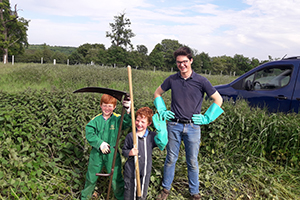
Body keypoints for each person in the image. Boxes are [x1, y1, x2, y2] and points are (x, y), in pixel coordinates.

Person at [154, 46, 224, 200]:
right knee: (171, 158)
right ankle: (165, 190)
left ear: (191, 61)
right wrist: (162, 110)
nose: (182, 65)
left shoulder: (201, 81)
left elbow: (218, 99)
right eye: (179, 62)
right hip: (173, 125)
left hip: (193, 127)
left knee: (192, 161)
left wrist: (207, 117)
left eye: (185, 61)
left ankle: (194, 192)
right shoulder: (172, 79)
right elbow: (157, 93)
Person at [81, 94, 131, 200]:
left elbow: (127, 122)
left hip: (112, 152)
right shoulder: (96, 120)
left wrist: (128, 110)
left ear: (114, 107)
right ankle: (85, 197)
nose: (107, 109)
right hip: (97, 152)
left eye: (110, 106)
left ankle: (120, 197)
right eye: (104, 105)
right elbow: (89, 132)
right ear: (100, 105)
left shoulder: (117, 118)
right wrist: (100, 143)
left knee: (116, 177)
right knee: (91, 176)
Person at [122, 107, 168, 200]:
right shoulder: (131, 136)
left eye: (143, 122)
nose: (139, 124)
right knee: (129, 192)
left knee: (142, 193)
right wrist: (130, 152)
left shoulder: (152, 136)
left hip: (145, 170)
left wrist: (161, 130)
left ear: (149, 123)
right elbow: (124, 151)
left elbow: (162, 143)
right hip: (131, 171)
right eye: (137, 120)